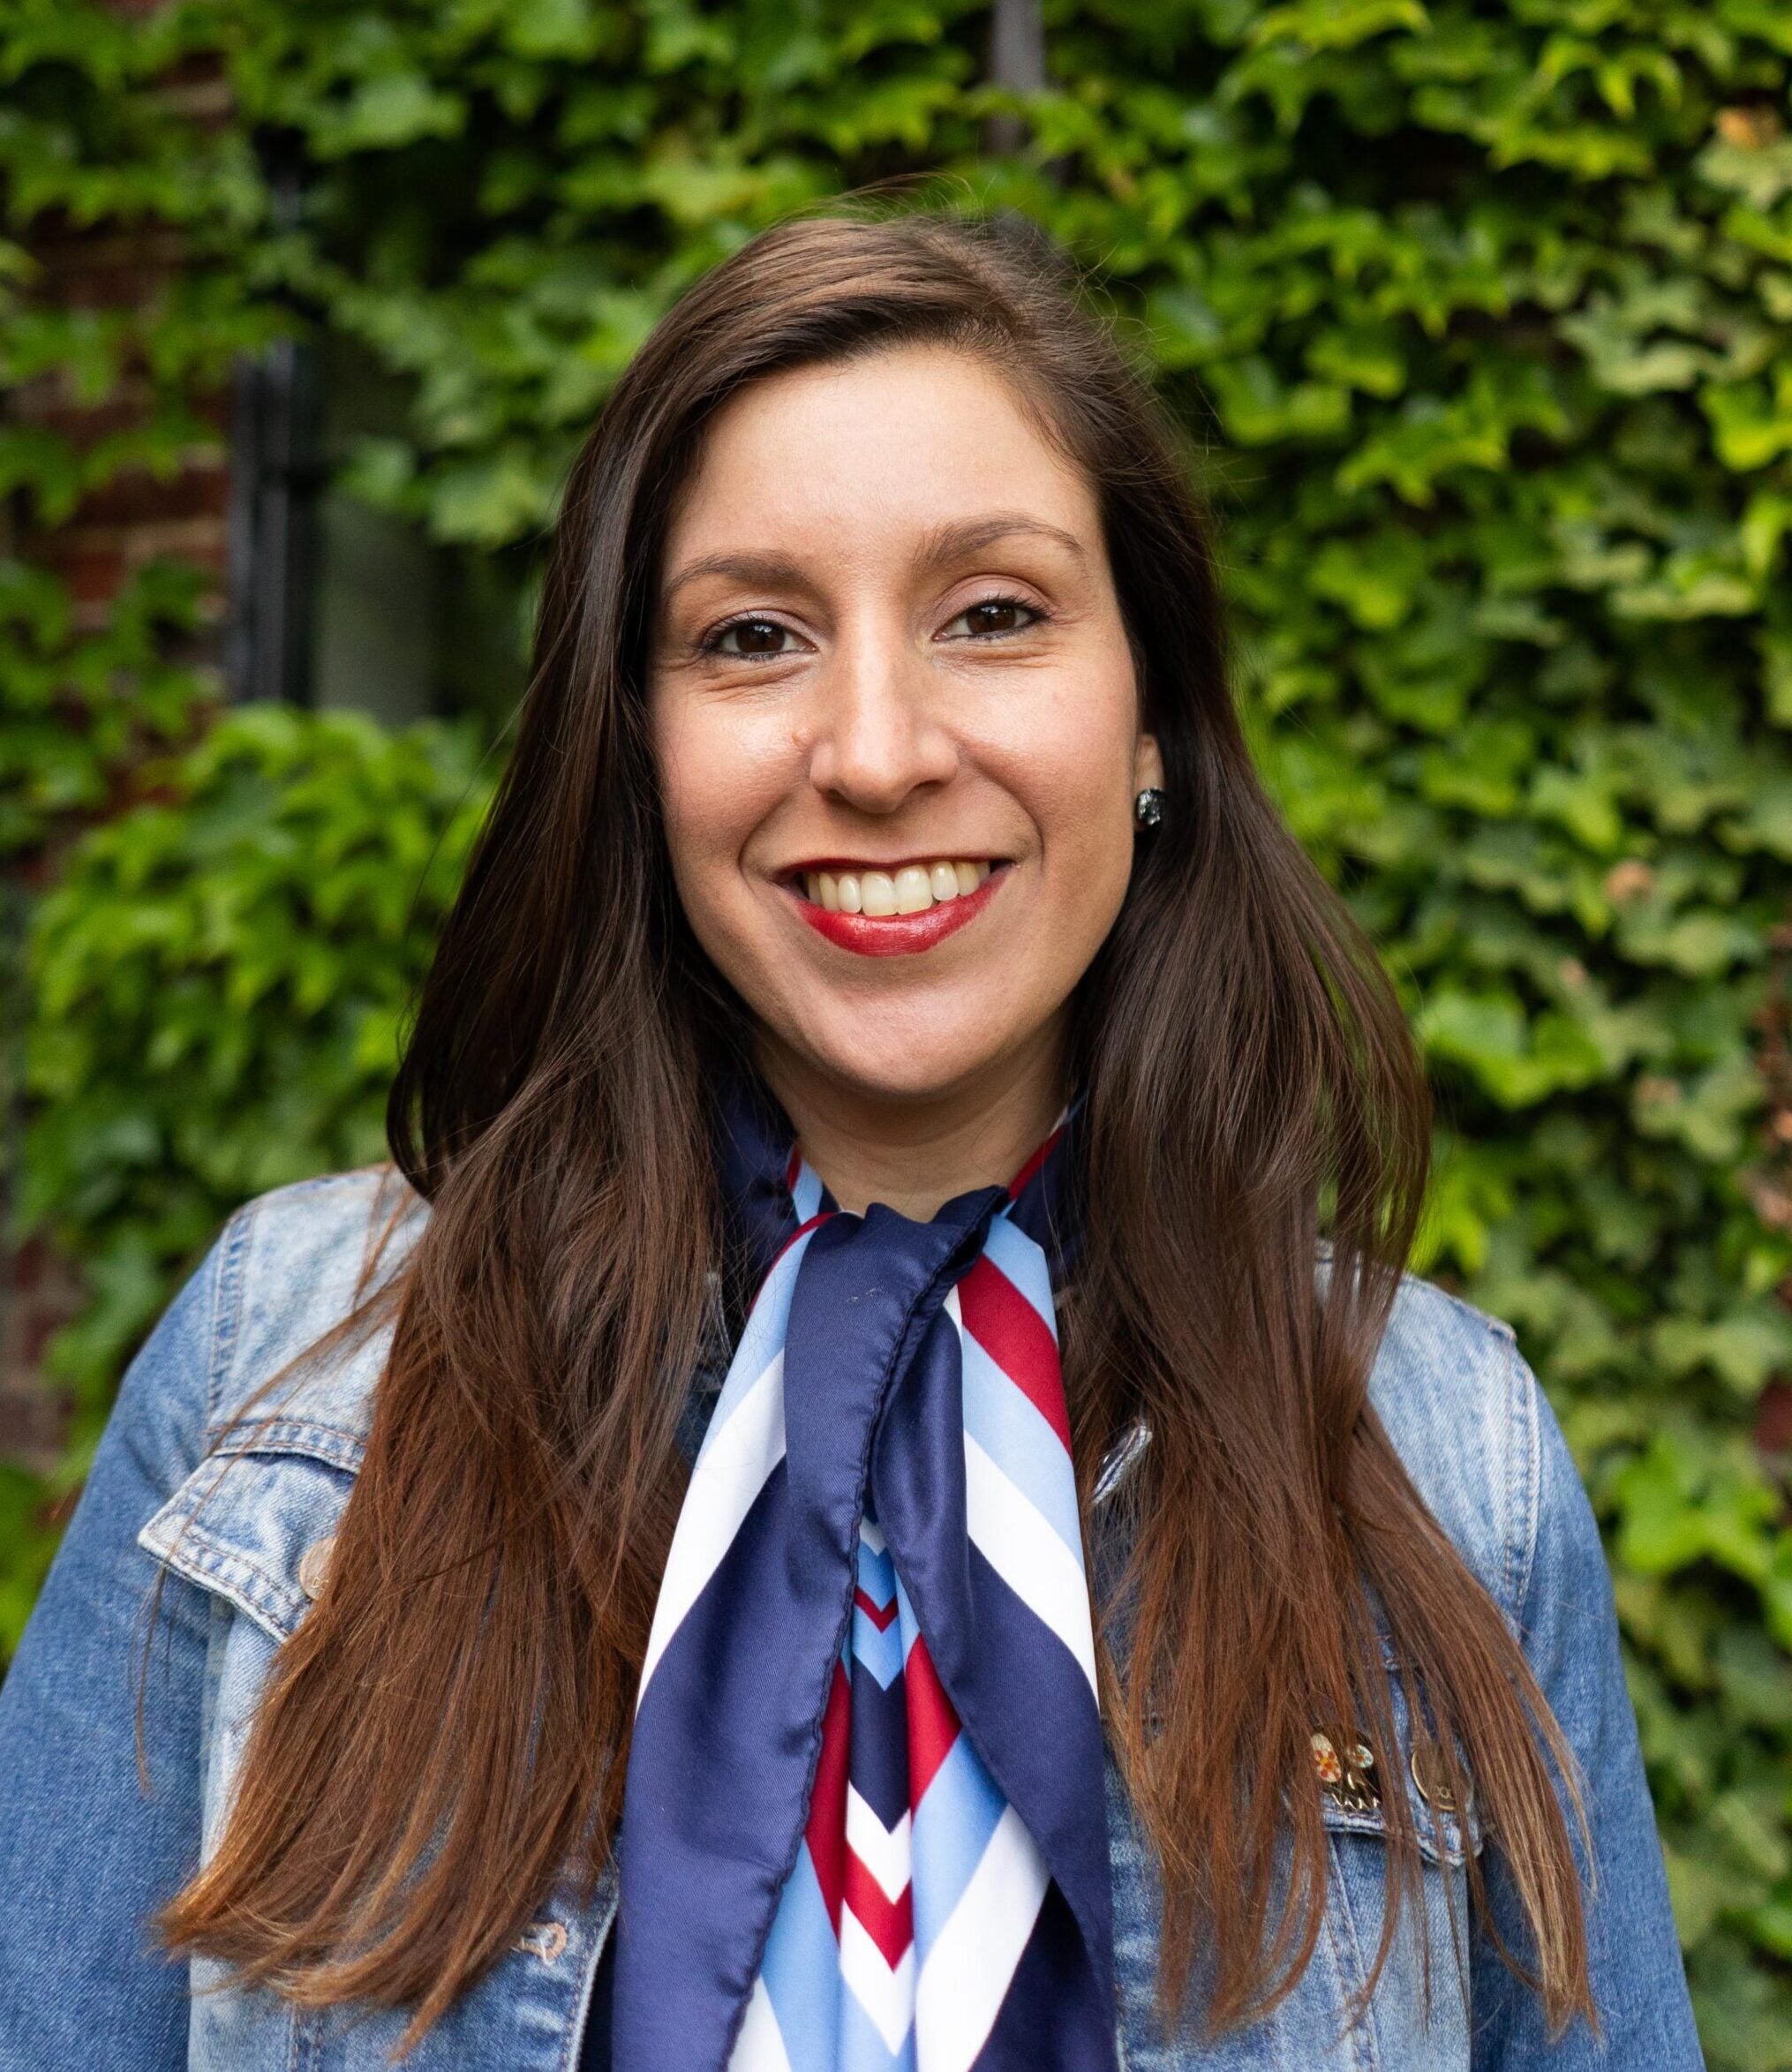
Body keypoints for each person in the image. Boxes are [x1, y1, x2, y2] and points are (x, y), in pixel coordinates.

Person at [0, 203, 1704, 2072]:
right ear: (634, 747)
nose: (877, 748)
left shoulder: (1450, 1455)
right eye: (751, 635)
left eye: (993, 614)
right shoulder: (285, 1371)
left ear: (1153, 717)